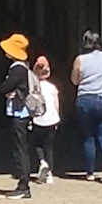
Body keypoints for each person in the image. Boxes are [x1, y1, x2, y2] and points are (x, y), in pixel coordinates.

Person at [71, 30, 102, 184]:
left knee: (88, 137)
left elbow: (74, 81)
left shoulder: (80, 59)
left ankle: (90, 172)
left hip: (87, 100)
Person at [0, 33, 32, 199]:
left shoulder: (17, 68)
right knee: (21, 146)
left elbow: (6, 86)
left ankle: (23, 185)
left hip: (19, 112)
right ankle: (23, 183)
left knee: (20, 148)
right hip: (21, 112)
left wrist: (3, 88)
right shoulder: (23, 67)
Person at [31, 56, 60, 184]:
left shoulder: (34, 87)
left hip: (38, 118)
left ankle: (42, 162)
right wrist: (57, 118)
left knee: (37, 144)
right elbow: (56, 104)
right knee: (49, 147)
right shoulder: (52, 87)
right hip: (52, 118)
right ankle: (50, 175)